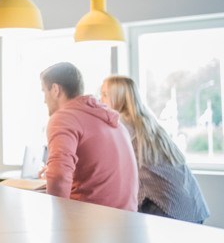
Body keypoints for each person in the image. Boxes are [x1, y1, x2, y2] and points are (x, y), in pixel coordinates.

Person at [101, 75, 210, 223]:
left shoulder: (122, 124)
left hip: (166, 206)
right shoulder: (148, 122)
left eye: (105, 94)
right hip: (192, 204)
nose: (100, 99)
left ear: (118, 98)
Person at [40, 62, 138, 211]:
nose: (44, 100)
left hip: (92, 222)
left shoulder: (64, 117)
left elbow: (59, 177)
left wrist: (56, 221)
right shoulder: (111, 120)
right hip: (126, 221)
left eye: (44, 92)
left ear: (55, 90)